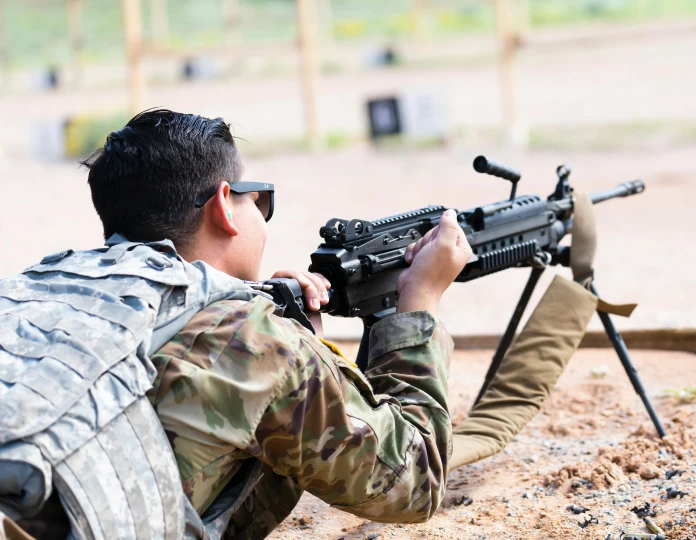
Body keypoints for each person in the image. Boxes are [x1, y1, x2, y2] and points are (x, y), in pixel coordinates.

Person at [0, 109, 471, 540]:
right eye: (259, 201)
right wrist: (418, 305)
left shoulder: (36, 290)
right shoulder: (251, 339)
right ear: (225, 205)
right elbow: (413, 484)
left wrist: (304, 347)